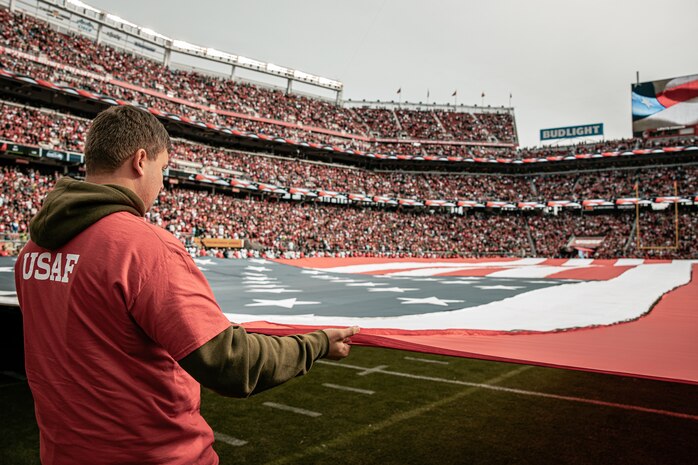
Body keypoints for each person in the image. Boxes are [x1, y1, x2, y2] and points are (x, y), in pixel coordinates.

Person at [14, 105, 359, 465]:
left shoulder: (32, 250)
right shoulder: (143, 247)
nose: (163, 183)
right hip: (156, 455)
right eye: (163, 170)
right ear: (140, 161)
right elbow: (229, 364)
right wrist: (317, 344)